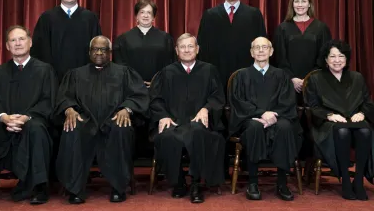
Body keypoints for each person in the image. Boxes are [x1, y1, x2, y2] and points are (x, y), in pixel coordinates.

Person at [54, 36, 149, 204]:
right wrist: (69, 109)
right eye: (95, 49)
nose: (99, 52)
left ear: (110, 52)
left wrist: (126, 109)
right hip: (85, 121)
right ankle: (75, 188)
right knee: (72, 129)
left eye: (103, 49)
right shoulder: (76, 74)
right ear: (89, 52)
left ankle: (118, 187)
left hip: (113, 120)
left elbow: (140, 95)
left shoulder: (124, 72)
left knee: (121, 128)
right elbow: (63, 97)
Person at [0, 25, 57, 206]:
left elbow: (48, 101)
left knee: (37, 129)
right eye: (13, 40)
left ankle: (38, 188)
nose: (18, 43)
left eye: (21, 39)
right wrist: (4, 117)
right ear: (7, 46)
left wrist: (26, 117)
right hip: (2, 125)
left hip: (31, 123)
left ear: (30, 42)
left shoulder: (45, 70)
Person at [149, 33, 226, 204]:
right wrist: (163, 116)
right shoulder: (167, 72)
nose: (187, 50)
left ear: (197, 49)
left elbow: (218, 97)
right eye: (182, 47)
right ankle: (179, 181)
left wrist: (206, 109)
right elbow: (156, 99)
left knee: (198, 133)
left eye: (190, 46)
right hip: (174, 121)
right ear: (176, 50)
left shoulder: (209, 70)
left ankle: (196, 184)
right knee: (167, 136)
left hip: (199, 123)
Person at [229, 37, 302, 201]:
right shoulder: (242, 76)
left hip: (279, 117)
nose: (261, 50)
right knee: (254, 127)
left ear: (271, 51)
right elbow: (238, 102)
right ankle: (253, 183)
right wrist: (262, 113)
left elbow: (288, 101)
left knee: (285, 128)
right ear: (251, 52)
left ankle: (282, 183)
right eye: (257, 47)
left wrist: (272, 115)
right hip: (250, 118)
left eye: (264, 47)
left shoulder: (281, 75)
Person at [304, 40, 374, 200]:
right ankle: (345, 181)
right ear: (326, 59)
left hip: (355, 120)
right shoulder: (316, 79)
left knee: (364, 131)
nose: (337, 60)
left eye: (341, 56)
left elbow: (368, 102)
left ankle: (358, 180)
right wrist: (329, 115)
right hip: (328, 124)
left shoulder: (357, 77)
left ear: (346, 58)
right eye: (332, 56)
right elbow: (312, 107)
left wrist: (362, 113)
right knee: (342, 131)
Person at [197, 0, 267, 92]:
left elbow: (262, 46)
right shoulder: (210, 15)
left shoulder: (254, 15)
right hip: (217, 75)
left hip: (247, 76)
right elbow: (202, 48)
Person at [31, 0, 102, 82]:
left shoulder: (90, 18)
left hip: (85, 79)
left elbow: (98, 49)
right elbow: (38, 50)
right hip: (53, 80)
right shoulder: (47, 18)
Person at [273, 0, 332, 103]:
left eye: (304, 1)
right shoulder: (282, 28)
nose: (300, 5)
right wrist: (292, 79)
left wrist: (308, 79)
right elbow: (280, 58)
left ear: (309, 4)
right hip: (288, 84)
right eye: (297, 1)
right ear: (292, 4)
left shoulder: (321, 28)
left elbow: (324, 57)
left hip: (315, 82)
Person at [113, 0, 176, 86]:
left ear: (154, 17)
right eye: (142, 12)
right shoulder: (123, 39)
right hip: (132, 87)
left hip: (159, 87)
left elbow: (170, 64)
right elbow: (120, 65)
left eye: (149, 12)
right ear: (136, 16)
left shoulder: (165, 38)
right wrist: (134, 82)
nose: (145, 15)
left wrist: (157, 82)